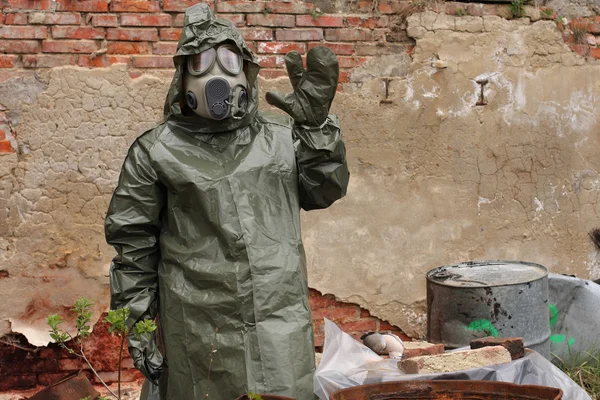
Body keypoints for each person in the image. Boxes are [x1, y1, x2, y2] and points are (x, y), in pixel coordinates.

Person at [104, 3, 349, 399]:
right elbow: (133, 247)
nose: (216, 75)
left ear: (246, 71)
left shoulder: (280, 137)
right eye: (201, 62)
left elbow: (325, 190)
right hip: (196, 332)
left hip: (277, 324)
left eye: (229, 60)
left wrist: (316, 129)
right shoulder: (155, 152)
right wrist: (140, 326)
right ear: (183, 74)